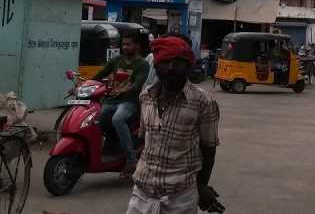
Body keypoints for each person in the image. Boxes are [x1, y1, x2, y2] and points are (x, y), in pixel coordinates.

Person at [127, 36, 224, 214]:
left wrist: (201, 187)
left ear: (187, 65)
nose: (171, 68)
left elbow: (209, 150)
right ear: (156, 64)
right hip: (142, 193)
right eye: (165, 61)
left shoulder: (203, 102)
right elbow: (147, 139)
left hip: (180, 198)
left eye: (178, 62)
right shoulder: (145, 97)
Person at [94, 33, 150, 177]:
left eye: (128, 44)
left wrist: (125, 89)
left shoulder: (142, 64)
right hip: (110, 101)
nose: (125, 47)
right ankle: (110, 146)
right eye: (123, 44)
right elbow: (98, 76)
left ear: (137, 46)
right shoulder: (116, 61)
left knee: (117, 119)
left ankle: (131, 160)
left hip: (129, 102)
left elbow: (138, 84)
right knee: (95, 118)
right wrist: (83, 86)